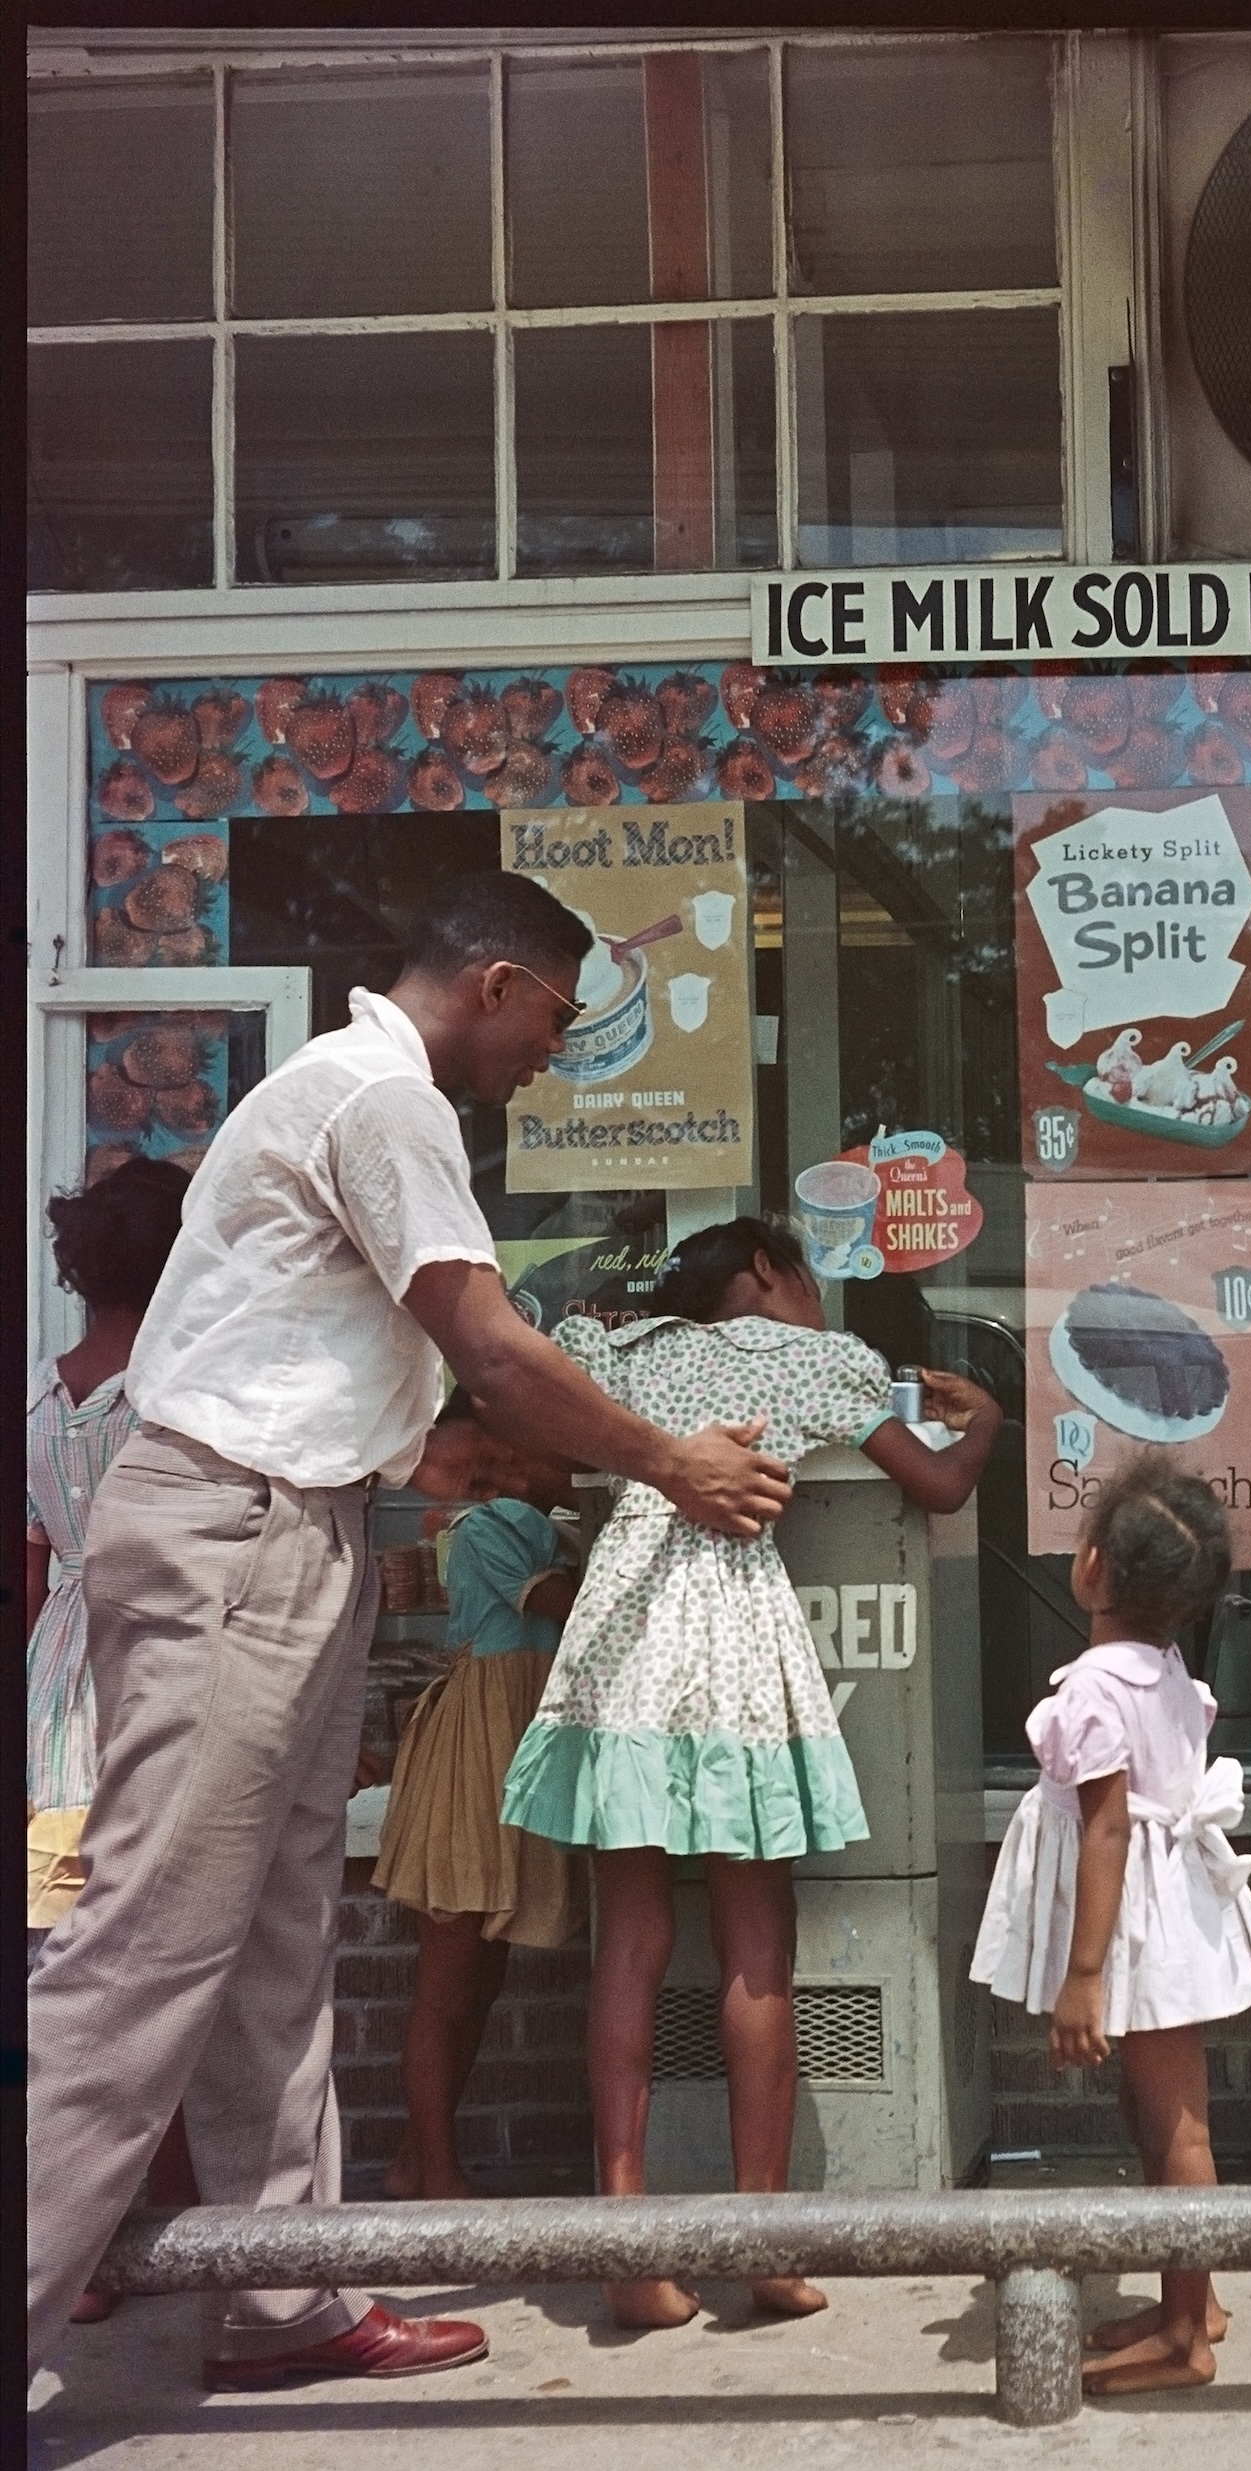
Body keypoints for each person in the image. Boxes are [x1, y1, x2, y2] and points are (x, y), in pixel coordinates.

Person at [27, 872, 796, 2390]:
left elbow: (424, 1397)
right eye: (557, 1025)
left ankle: (280, 2299)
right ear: (496, 983)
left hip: (284, 1528)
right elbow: (492, 1350)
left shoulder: (346, 1093)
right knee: (149, 1951)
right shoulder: (383, 1101)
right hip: (238, 1531)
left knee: (271, 1942)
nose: (554, 1060)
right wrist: (673, 1460)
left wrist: (478, 1457)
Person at [500, 1217, 1002, 2331]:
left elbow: (521, 1398)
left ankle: (628, 2241)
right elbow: (938, 1486)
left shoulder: (622, 1351)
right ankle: (763, 2246)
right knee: (756, 1941)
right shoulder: (822, 1362)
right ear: (769, 1272)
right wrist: (990, 1422)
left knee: (629, 1935)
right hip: (727, 1631)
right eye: (810, 1275)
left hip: (622, 1629)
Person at [971, 1457, 1251, 2396]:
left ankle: (1186, 2337)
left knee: (1178, 2127)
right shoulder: (1161, 1668)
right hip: (1169, 1913)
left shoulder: (1093, 1690)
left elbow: (1106, 1827)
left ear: (1093, 1567)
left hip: (1137, 1932)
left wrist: (1084, 1975)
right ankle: (1192, 2298)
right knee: (1158, 2119)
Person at [27, 1157, 203, 2325]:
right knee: (170, 1969)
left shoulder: (38, 1397)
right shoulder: (181, 1393)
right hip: (157, 1674)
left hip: (57, 1695)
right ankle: (174, 2228)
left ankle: (77, 2245)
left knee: (65, 1956)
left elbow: (35, 1563)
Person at [374, 1398, 589, 2200]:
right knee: (450, 1979)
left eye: (499, 1463)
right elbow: (565, 1606)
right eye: (478, 1470)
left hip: (512, 1755)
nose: (496, 1479)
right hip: (475, 1760)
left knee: (478, 1976)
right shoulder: (491, 1526)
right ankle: (436, 2173)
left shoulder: (544, 1522)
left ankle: (410, 2161)